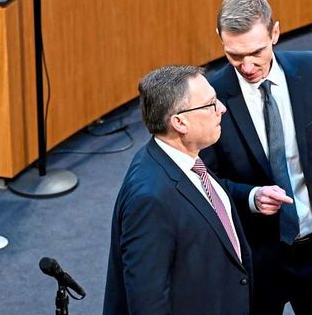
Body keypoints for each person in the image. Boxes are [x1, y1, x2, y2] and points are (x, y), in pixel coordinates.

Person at [200, 0, 312, 315]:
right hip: (256, 261)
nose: (247, 65)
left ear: (275, 33)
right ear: (220, 40)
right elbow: (207, 183)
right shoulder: (210, 95)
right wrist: (252, 197)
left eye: (257, 51)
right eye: (234, 55)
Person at [103, 65, 252, 315]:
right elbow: (148, 302)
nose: (222, 109)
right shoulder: (149, 197)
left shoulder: (184, 161)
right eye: (210, 104)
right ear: (180, 122)